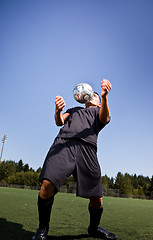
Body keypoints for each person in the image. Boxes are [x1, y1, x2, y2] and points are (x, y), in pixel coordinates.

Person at [32, 79, 117, 240]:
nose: (92, 96)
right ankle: (42, 228)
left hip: (88, 150)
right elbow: (59, 122)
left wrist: (105, 97)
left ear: (98, 103)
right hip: (64, 144)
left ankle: (93, 229)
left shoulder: (99, 112)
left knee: (97, 199)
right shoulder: (74, 110)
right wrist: (58, 110)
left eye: (96, 95)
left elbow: (105, 118)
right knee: (46, 186)